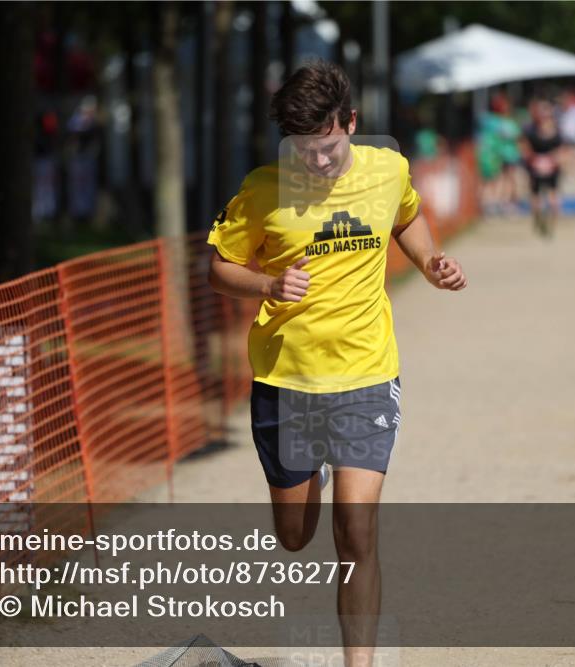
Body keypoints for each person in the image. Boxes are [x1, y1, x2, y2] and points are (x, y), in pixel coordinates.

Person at [206, 60, 466, 667]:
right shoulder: (262, 190)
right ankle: (309, 478)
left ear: (350, 123)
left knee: (357, 534)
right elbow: (218, 269)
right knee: (295, 538)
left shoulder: (388, 170)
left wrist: (430, 262)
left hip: (366, 376)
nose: (316, 162)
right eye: (303, 151)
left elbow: (407, 218)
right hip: (286, 380)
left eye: (326, 147)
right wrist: (267, 285)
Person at [521, 100, 565, 237]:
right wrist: (534, 159)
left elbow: (563, 151)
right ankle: (540, 221)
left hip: (550, 168)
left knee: (552, 198)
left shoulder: (556, 132)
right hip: (536, 168)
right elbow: (524, 148)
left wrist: (554, 160)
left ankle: (551, 226)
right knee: (537, 198)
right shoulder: (531, 131)